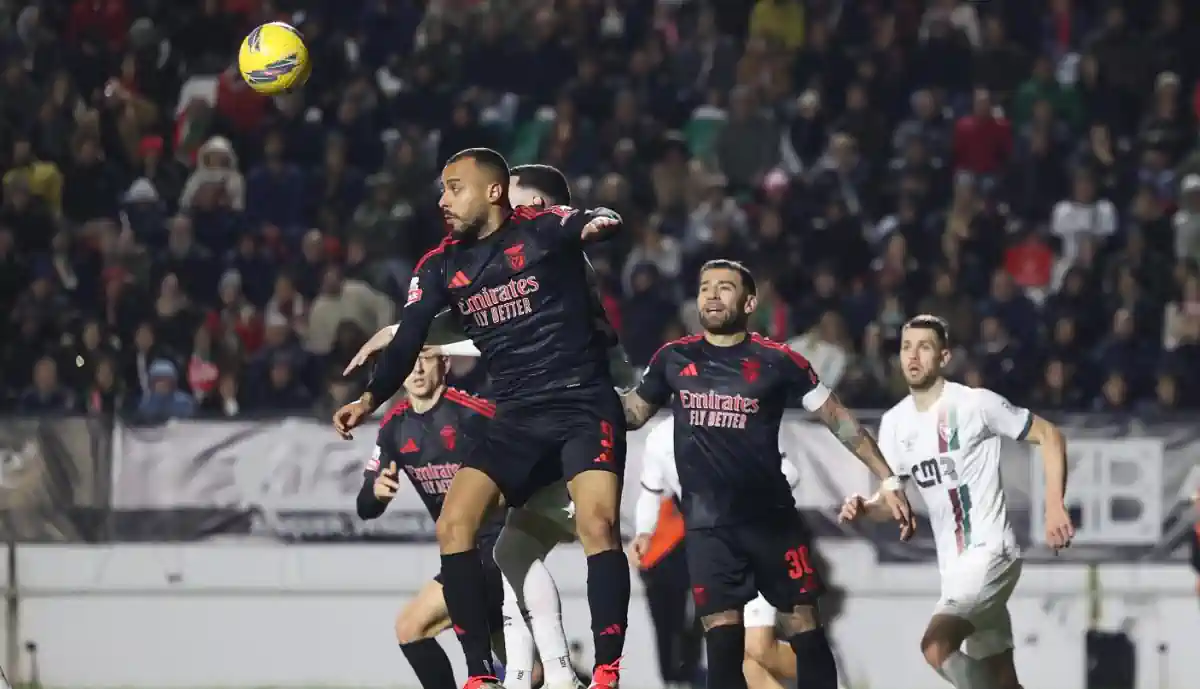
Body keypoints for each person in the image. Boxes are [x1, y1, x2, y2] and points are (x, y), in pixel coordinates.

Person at [333, 148, 629, 689]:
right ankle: (480, 676)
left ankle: (605, 672)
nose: (443, 200)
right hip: (517, 415)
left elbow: (595, 220)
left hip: (583, 403)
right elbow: (412, 336)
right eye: (443, 189)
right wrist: (368, 400)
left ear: (493, 192)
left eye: (455, 187)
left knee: (598, 525)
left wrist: (598, 223)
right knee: (455, 525)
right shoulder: (440, 264)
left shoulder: (541, 230)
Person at [619, 259, 916, 689]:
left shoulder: (779, 361)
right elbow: (631, 414)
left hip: (770, 523)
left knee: (806, 632)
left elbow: (837, 418)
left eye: (725, 287)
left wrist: (888, 480)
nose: (712, 296)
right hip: (707, 530)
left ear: (750, 301)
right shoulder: (672, 359)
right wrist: (584, 391)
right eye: (705, 288)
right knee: (723, 648)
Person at [838, 314, 1075, 689]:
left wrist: (1054, 505)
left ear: (944, 357)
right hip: (954, 569)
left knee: (936, 645)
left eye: (925, 347)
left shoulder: (975, 404)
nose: (913, 356)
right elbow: (893, 502)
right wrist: (867, 508)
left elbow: (1050, 436)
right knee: (1002, 679)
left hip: (991, 553)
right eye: (906, 347)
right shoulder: (896, 423)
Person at [357, 347, 520, 689]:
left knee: (411, 626)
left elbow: (528, 452)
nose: (415, 370)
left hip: (499, 550)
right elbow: (365, 507)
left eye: (424, 359)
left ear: (444, 364)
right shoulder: (393, 426)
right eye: (407, 361)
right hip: (460, 557)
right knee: (527, 672)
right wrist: (377, 493)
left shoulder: (474, 413)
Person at [630, 415, 802, 689]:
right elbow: (650, 492)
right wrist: (643, 532)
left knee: (758, 649)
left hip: (755, 548)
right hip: (713, 557)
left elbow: (790, 473)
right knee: (740, 662)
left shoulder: (737, 421)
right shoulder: (660, 438)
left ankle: (824, 676)